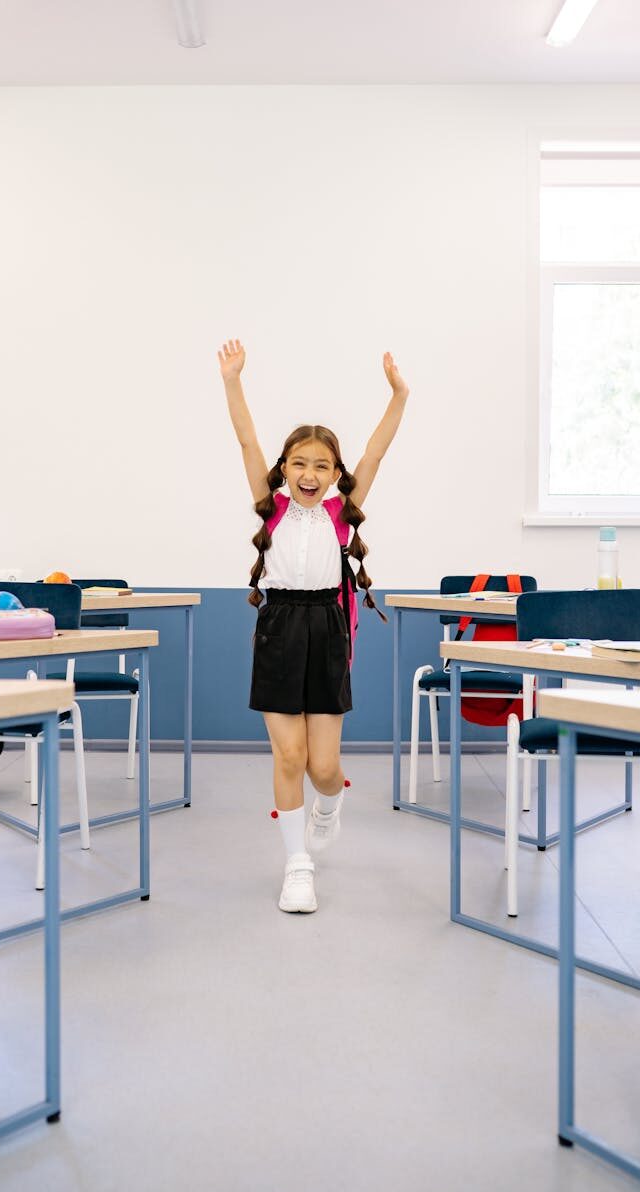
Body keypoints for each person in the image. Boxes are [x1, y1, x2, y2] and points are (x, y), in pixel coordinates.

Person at [218, 338, 409, 914]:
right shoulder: (271, 506)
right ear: (284, 469)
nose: (309, 473)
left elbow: (375, 453)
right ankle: (297, 866)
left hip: (328, 628)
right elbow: (246, 439)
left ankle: (330, 802)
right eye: (299, 463)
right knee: (289, 757)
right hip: (278, 626)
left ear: (334, 474)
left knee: (323, 768)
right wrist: (232, 381)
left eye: (321, 465)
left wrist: (399, 395)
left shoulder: (339, 513)